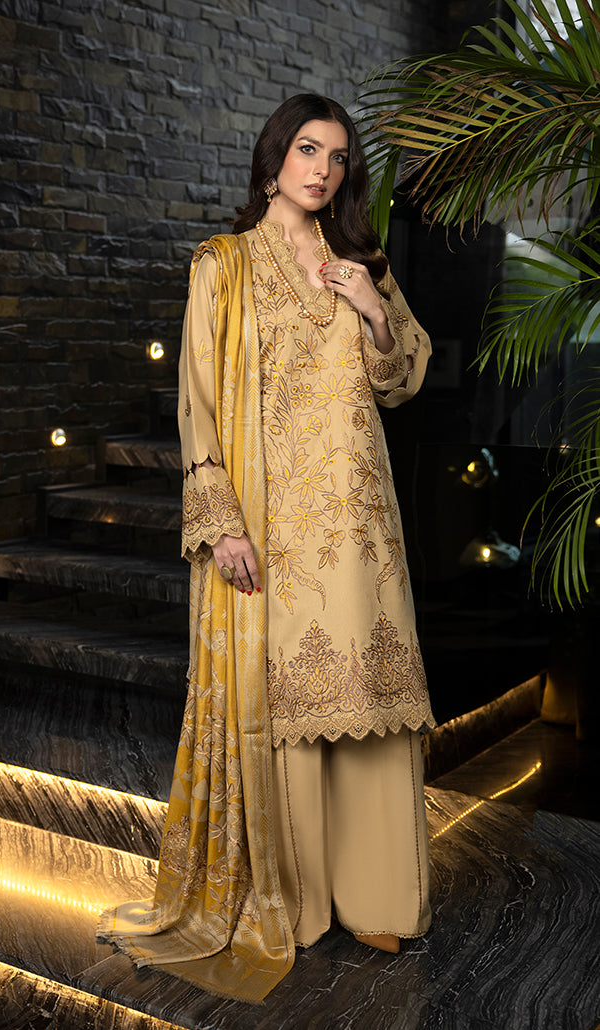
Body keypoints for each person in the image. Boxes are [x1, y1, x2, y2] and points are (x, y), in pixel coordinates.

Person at [98, 94, 435, 1004]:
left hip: (362, 527)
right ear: (274, 157)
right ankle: (297, 898)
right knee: (288, 703)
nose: (322, 169)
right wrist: (223, 523)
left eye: (337, 156)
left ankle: (376, 896)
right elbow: (199, 401)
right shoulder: (224, 265)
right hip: (275, 523)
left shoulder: (363, 261)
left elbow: (402, 377)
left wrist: (371, 308)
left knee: (370, 702)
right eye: (306, 149)